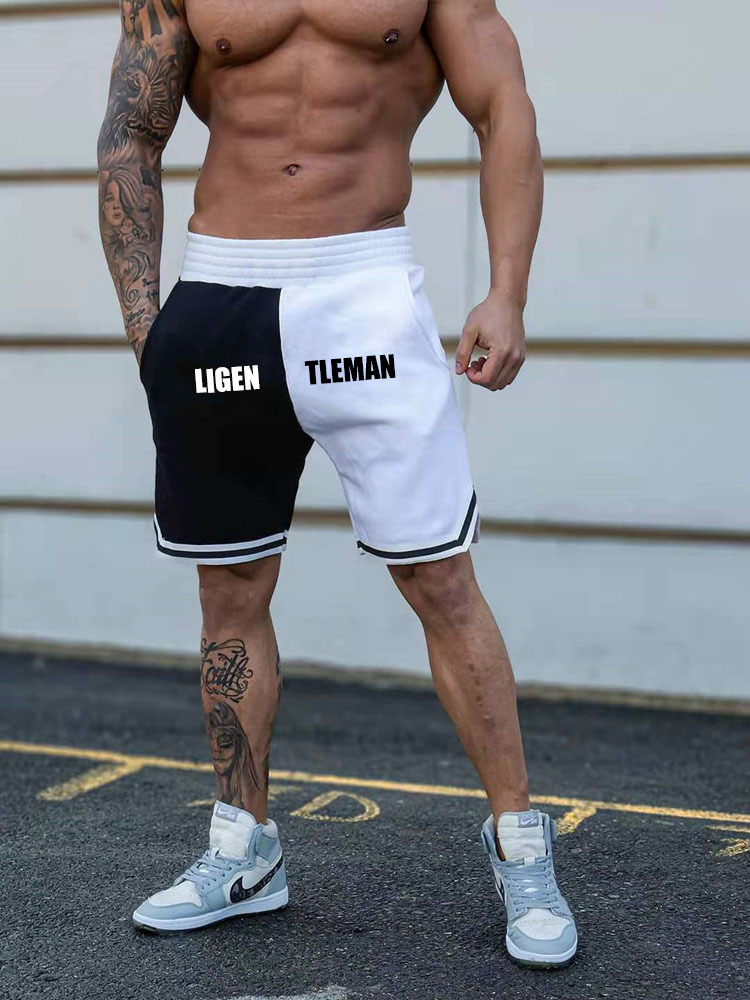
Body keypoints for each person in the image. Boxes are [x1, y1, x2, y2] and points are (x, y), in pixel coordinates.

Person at [97, 0, 577, 968]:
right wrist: (150, 330)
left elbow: (503, 107)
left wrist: (508, 291)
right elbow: (130, 138)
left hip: (366, 291)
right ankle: (246, 846)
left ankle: (522, 845)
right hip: (221, 295)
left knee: (440, 579)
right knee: (231, 589)